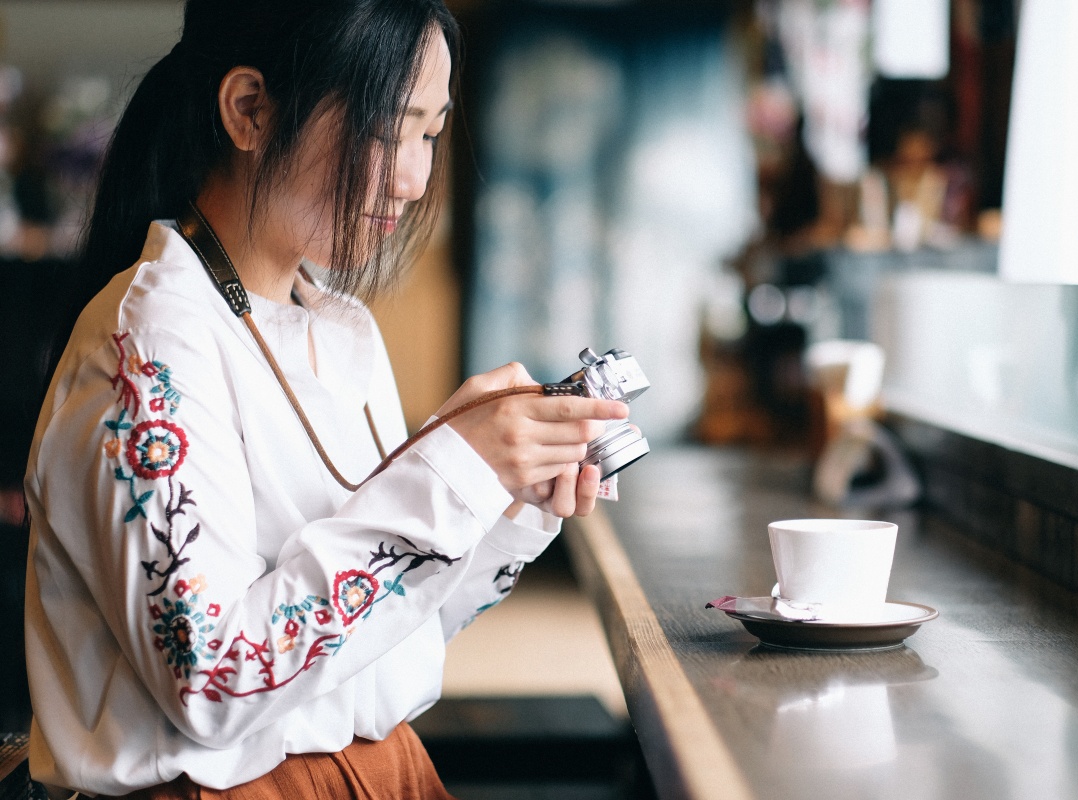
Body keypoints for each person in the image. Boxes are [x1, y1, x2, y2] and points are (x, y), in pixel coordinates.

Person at [23, 1, 628, 797]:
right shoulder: (145, 350)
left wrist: (501, 501)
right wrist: (447, 474)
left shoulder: (337, 327)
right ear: (250, 111)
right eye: (389, 129)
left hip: (386, 774)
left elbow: (372, 641)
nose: (414, 180)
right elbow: (217, 678)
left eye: (431, 134)